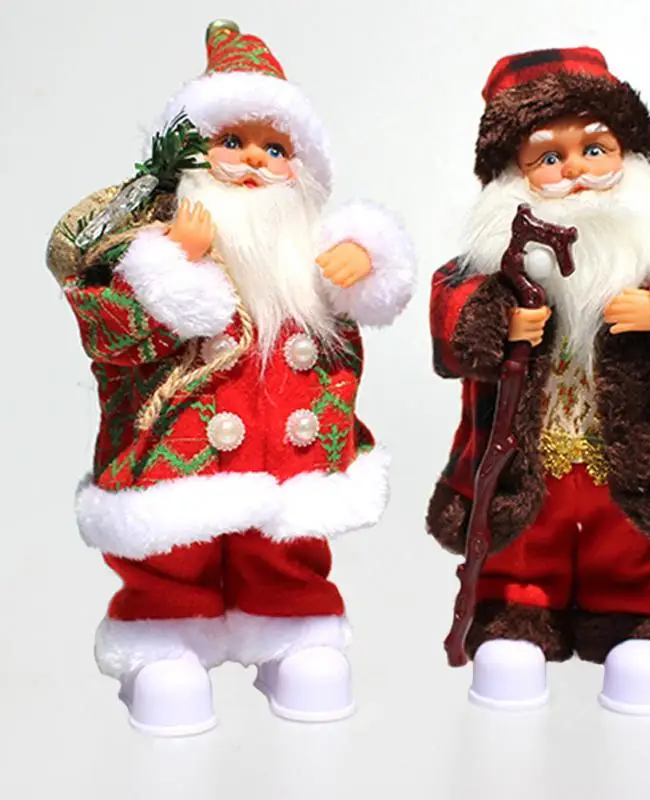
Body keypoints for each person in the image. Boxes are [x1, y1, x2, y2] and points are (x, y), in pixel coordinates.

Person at [49, 19, 415, 735]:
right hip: (176, 453)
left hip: (286, 450)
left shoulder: (307, 249)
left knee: (285, 545)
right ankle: (163, 634)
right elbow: (108, 337)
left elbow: (356, 303)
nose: (253, 160)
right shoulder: (145, 249)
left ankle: (292, 626)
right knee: (171, 549)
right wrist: (173, 272)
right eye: (232, 142)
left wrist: (363, 262)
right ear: (190, 154)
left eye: (275, 149)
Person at [427, 47, 650, 715]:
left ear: (629, 157)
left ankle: (637, 614)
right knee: (522, 538)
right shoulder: (492, 269)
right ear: (512, 176)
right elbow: (450, 317)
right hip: (528, 457)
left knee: (632, 542)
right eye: (549, 157)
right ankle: (518, 611)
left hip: (635, 456)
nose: (574, 170)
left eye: (595, 149)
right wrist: (498, 322)